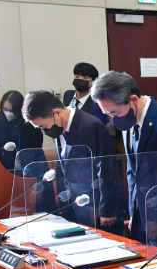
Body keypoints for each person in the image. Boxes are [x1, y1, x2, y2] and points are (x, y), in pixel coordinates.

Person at [92, 71, 157, 255]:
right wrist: (134, 213)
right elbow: (132, 172)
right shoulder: (128, 123)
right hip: (142, 218)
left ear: (133, 100)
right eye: (109, 115)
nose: (113, 119)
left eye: (114, 112)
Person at [22, 91, 125, 233]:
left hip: (97, 208)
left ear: (56, 113)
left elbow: (107, 169)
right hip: (75, 206)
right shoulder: (58, 128)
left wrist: (106, 209)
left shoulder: (91, 126)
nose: (44, 131)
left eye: (43, 126)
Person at [0, 91, 45, 171]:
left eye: (11, 111)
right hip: (6, 167)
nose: (8, 113)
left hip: (31, 164)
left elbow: (37, 146)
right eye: (5, 109)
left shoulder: (30, 122)